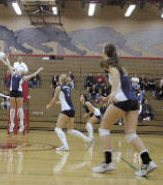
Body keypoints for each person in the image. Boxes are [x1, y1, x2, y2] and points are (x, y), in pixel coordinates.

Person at [92, 44, 156, 177]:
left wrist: (113, 92)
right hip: (133, 101)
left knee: (104, 129)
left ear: (104, 52)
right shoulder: (121, 66)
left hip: (122, 100)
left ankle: (108, 162)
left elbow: (115, 76)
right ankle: (147, 161)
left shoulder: (110, 65)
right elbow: (123, 84)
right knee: (131, 134)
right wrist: (109, 96)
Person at [46, 74, 92, 151]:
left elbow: (54, 99)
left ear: (60, 80)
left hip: (66, 110)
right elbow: (62, 100)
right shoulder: (68, 88)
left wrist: (49, 105)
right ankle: (86, 139)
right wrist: (54, 103)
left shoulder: (59, 88)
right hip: (72, 109)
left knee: (57, 129)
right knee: (70, 130)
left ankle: (65, 146)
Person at [6, 57, 43, 133]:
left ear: (22, 73)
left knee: (19, 108)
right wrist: (6, 58)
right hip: (12, 92)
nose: (19, 70)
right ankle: (12, 123)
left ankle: (22, 124)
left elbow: (33, 75)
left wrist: (38, 70)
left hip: (19, 92)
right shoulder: (13, 74)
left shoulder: (23, 78)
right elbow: (8, 65)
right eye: (19, 70)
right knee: (12, 109)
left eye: (21, 71)